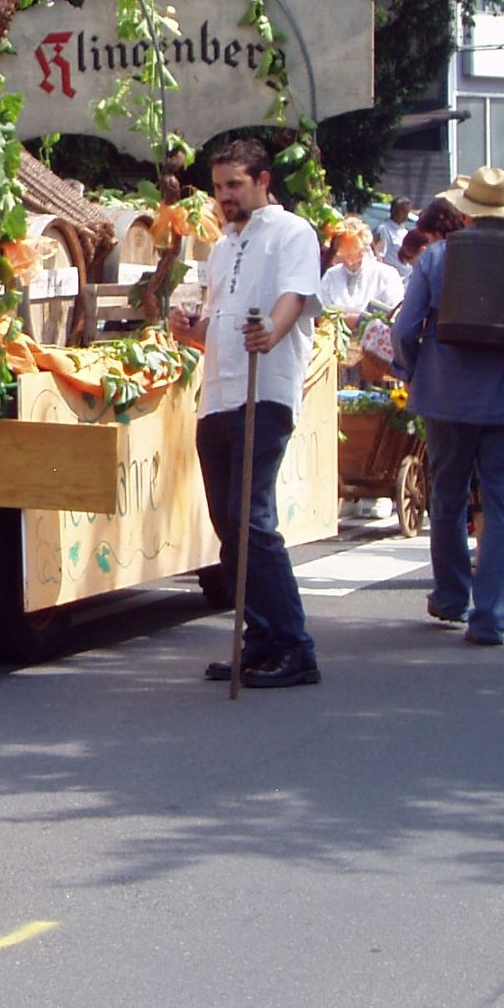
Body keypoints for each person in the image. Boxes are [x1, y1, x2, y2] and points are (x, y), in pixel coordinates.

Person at [166, 139, 321, 688]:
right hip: (220, 395)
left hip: (266, 392)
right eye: (218, 187)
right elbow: (219, 325)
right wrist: (192, 330)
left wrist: (271, 333)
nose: (225, 197)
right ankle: (258, 638)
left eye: (234, 185)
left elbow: (295, 297)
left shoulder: (292, 232)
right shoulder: (224, 245)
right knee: (228, 523)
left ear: (262, 180)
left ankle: (294, 645)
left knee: (251, 519)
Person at [391, 168, 504, 645]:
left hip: (446, 397)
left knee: (447, 498)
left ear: (467, 212)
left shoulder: (437, 259)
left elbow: (405, 329)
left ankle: (451, 595)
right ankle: (489, 616)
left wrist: (413, 371)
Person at [318, 215, 404, 316]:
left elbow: (395, 313)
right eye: (345, 253)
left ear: (364, 248)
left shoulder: (387, 274)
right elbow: (322, 310)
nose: (350, 260)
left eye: (355, 252)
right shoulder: (331, 275)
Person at [375, 197, 415, 278]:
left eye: (407, 212)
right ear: (394, 211)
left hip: (408, 277)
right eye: (403, 212)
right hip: (394, 278)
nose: (406, 215)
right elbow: (380, 256)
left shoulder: (404, 230)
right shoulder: (384, 229)